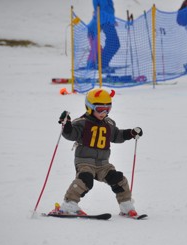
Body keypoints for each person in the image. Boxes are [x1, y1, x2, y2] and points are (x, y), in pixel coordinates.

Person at [56, 88, 143, 217]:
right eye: (100, 109)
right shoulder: (82, 123)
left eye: (108, 109)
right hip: (85, 161)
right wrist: (66, 125)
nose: (104, 113)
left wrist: (130, 133)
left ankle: (126, 206)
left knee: (118, 179)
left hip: (103, 163)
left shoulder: (108, 124)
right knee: (85, 179)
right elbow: (71, 134)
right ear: (89, 107)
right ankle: (69, 204)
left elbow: (117, 135)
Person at [87, 0, 120, 70]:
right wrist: (111, 20)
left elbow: (107, 10)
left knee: (112, 43)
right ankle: (102, 64)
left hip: (107, 22)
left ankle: (102, 63)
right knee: (114, 44)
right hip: (106, 22)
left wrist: (112, 20)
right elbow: (103, 11)